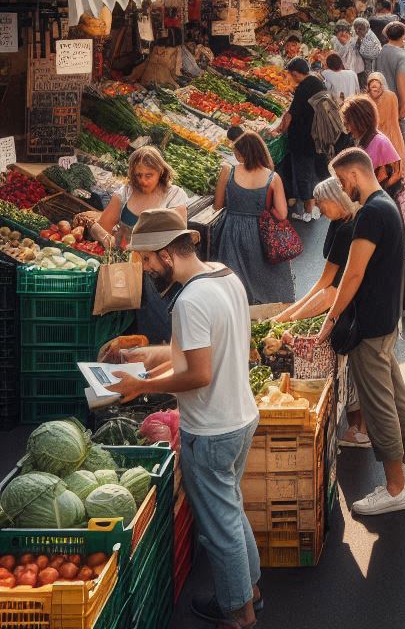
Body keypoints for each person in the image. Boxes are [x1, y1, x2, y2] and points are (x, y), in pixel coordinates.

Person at [111, 210, 260, 629]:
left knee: (219, 528)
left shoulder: (190, 302)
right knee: (231, 509)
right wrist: (142, 375)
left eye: (147, 261)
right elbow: (187, 359)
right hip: (241, 415)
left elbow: (198, 374)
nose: (146, 270)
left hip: (211, 430)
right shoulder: (223, 275)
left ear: (166, 255)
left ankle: (240, 612)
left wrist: (141, 388)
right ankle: (252, 590)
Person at [314, 149, 405, 516]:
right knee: (395, 392)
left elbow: (353, 274)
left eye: (343, 181)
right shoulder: (387, 206)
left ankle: (394, 487)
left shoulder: (370, 214)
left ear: (354, 175)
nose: (343, 189)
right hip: (387, 321)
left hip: (371, 325)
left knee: (378, 406)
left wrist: (330, 320)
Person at [277, 178, 369, 448]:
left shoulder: (344, 229)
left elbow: (325, 285)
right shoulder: (344, 224)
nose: (317, 207)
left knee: (352, 369)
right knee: (355, 370)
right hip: (347, 302)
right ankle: (360, 427)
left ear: (334, 199)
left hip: (343, 306)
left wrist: (288, 317)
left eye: (320, 202)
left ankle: (358, 429)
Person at [76, 145, 188, 343]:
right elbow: (105, 226)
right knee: (125, 329)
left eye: (148, 175)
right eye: (138, 175)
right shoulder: (125, 192)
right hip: (124, 273)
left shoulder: (174, 195)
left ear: (160, 171)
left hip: (157, 274)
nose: (142, 180)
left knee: (157, 327)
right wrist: (99, 230)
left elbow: (178, 235)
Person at [212, 132, 294, 305]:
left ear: (242, 153)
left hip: (231, 231)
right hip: (261, 232)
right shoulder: (272, 177)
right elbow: (282, 214)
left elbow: (218, 205)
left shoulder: (228, 171)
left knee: (235, 278)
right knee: (262, 275)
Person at [273, 58, 324, 223]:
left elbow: (290, 115)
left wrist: (279, 130)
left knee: (303, 175)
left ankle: (308, 212)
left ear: (294, 73)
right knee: (310, 173)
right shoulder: (316, 82)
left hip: (302, 139)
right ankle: (313, 207)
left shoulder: (303, 88)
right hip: (313, 137)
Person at [364, 73, 405, 237]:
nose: (373, 90)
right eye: (371, 87)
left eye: (376, 87)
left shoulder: (389, 97)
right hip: (382, 147)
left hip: (390, 146)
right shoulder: (368, 100)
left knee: (393, 187)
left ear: (382, 86)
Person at [377, 22, 405, 156]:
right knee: (402, 146)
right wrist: (403, 104)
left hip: (381, 100)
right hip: (395, 102)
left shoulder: (382, 51)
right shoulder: (402, 56)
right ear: (403, 36)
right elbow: (400, 79)